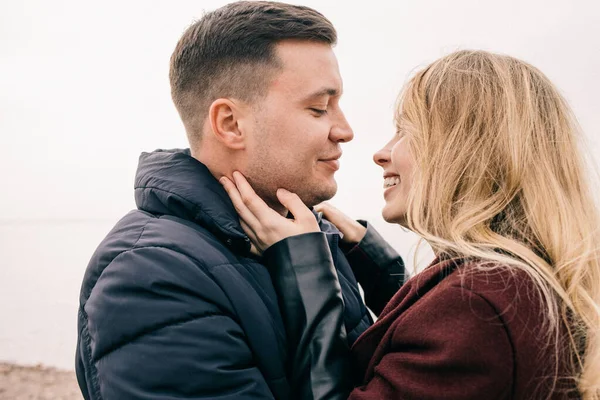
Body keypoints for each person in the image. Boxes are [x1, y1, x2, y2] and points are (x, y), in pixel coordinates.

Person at [221, 50, 600, 399]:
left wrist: (302, 268)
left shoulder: (478, 304)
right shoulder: (514, 284)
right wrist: (378, 266)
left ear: (466, 151)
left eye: (406, 131)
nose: (381, 152)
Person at [74, 2, 406, 399]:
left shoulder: (304, 237)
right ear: (231, 124)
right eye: (319, 108)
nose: (346, 130)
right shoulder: (151, 275)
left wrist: (380, 271)